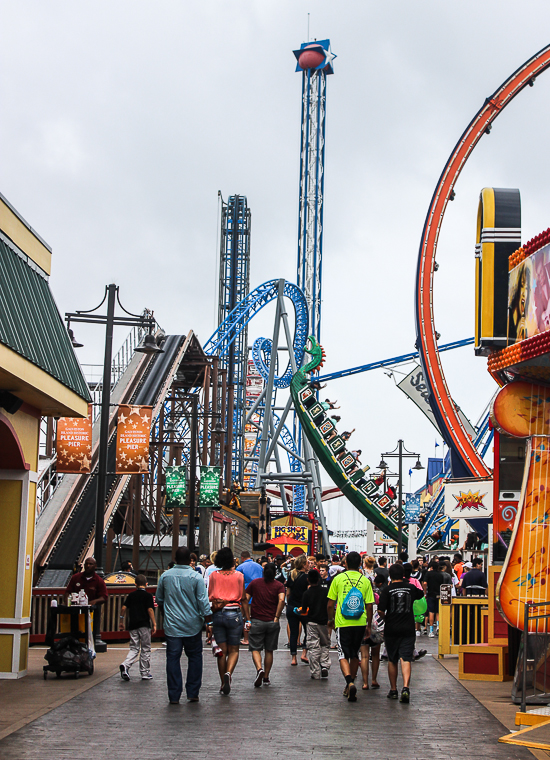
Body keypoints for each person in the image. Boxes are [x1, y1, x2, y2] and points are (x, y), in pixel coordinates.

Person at [155, 546, 212, 704]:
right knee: (194, 658)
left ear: (175, 558)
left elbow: (159, 599)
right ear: (189, 560)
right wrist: (209, 622)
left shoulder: (165, 577)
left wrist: (165, 613)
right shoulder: (196, 577)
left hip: (172, 625)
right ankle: (192, 692)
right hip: (192, 624)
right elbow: (203, 602)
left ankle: (174, 694)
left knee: (172, 658)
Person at [327, 551, 374, 702]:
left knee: (342, 654)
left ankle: (349, 682)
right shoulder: (365, 580)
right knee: (354, 654)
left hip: (342, 622)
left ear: (345, 563)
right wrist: (368, 624)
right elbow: (369, 605)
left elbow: (330, 603)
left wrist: (331, 619)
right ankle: (351, 682)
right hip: (360, 622)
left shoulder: (338, 579)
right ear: (360, 564)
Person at [377, 562, 425, 703]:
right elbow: (421, 593)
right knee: (406, 658)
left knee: (392, 659)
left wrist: (387, 618)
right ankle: (405, 687)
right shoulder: (410, 588)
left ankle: (393, 690)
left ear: (390, 575)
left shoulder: (387, 590)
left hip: (391, 628)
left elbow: (380, 610)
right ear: (403, 575)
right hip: (408, 628)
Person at [207, 546, 250, 695]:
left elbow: (210, 597)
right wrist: (247, 618)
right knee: (234, 650)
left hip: (218, 614)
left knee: (221, 652)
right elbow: (243, 598)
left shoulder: (213, 575)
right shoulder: (239, 576)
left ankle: (222, 682)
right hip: (234, 613)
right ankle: (229, 673)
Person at [246, 563, 286, 687]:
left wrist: (247, 617)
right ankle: (266, 677)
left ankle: (259, 669)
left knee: (255, 648)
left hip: (257, 620)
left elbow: (245, 599)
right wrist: (276, 617)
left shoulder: (255, 583)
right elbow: (281, 600)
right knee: (269, 650)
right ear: (275, 573)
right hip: (272, 621)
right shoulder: (279, 586)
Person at [119, 574, 157, 681]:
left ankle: (125, 665)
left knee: (134, 648)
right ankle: (145, 672)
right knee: (145, 648)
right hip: (144, 624)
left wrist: (121, 620)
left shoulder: (131, 595)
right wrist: (154, 623)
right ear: (146, 584)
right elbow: (150, 610)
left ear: (135, 584)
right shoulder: (148, 596)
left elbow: (123, 607)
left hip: (133, 625)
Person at [295, 569, 331, 680]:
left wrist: (299, 611)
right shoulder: (325, 591)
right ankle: (324, 665)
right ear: (319, 579)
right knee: (325, 644)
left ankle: (315, 672)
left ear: (308, 580)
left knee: (313, 646)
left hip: (311, 622)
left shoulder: (307, 593)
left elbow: (304, 609)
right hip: (324, 622)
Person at [64, 557, 108, 644]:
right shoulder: (76, 578)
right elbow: (67, 592)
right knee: (74, 632)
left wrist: (93, 602)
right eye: (86, 564)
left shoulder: (99, 580)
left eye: (90, 564)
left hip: (91, 612)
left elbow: (104, 597)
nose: (88, 566)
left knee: (90, 633)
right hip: (75, 611)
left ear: (95, 566)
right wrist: (67, 603)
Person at [286, 554, 309, 666]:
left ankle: (293, 658)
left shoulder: (291, 575)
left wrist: (289, 603)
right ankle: (304, 652)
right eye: (307, 563)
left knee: (294, 633)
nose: (309, 565)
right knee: (308, 631)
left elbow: (288, 593)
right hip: (303, 608)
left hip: (292, 607)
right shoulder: (306, 578)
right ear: (304, 565)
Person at [236, 550, 263, 645]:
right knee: (257, 618)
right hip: (258, 596)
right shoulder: (259, 566)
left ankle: (246, 639)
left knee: (245, 618)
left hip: (245, 596)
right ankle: (257, 638)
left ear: (242, 558)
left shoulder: (240, 567)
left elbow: (237, 582)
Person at [423, 559, 444, 637]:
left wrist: (425, 592)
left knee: (431, 612)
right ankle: (438, 627)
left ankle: (431, 630)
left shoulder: (428, 574)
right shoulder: (440, 574)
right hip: (439, 595)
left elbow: (425, 583)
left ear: (431, 567)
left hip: (430, 594)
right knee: (438, 611)